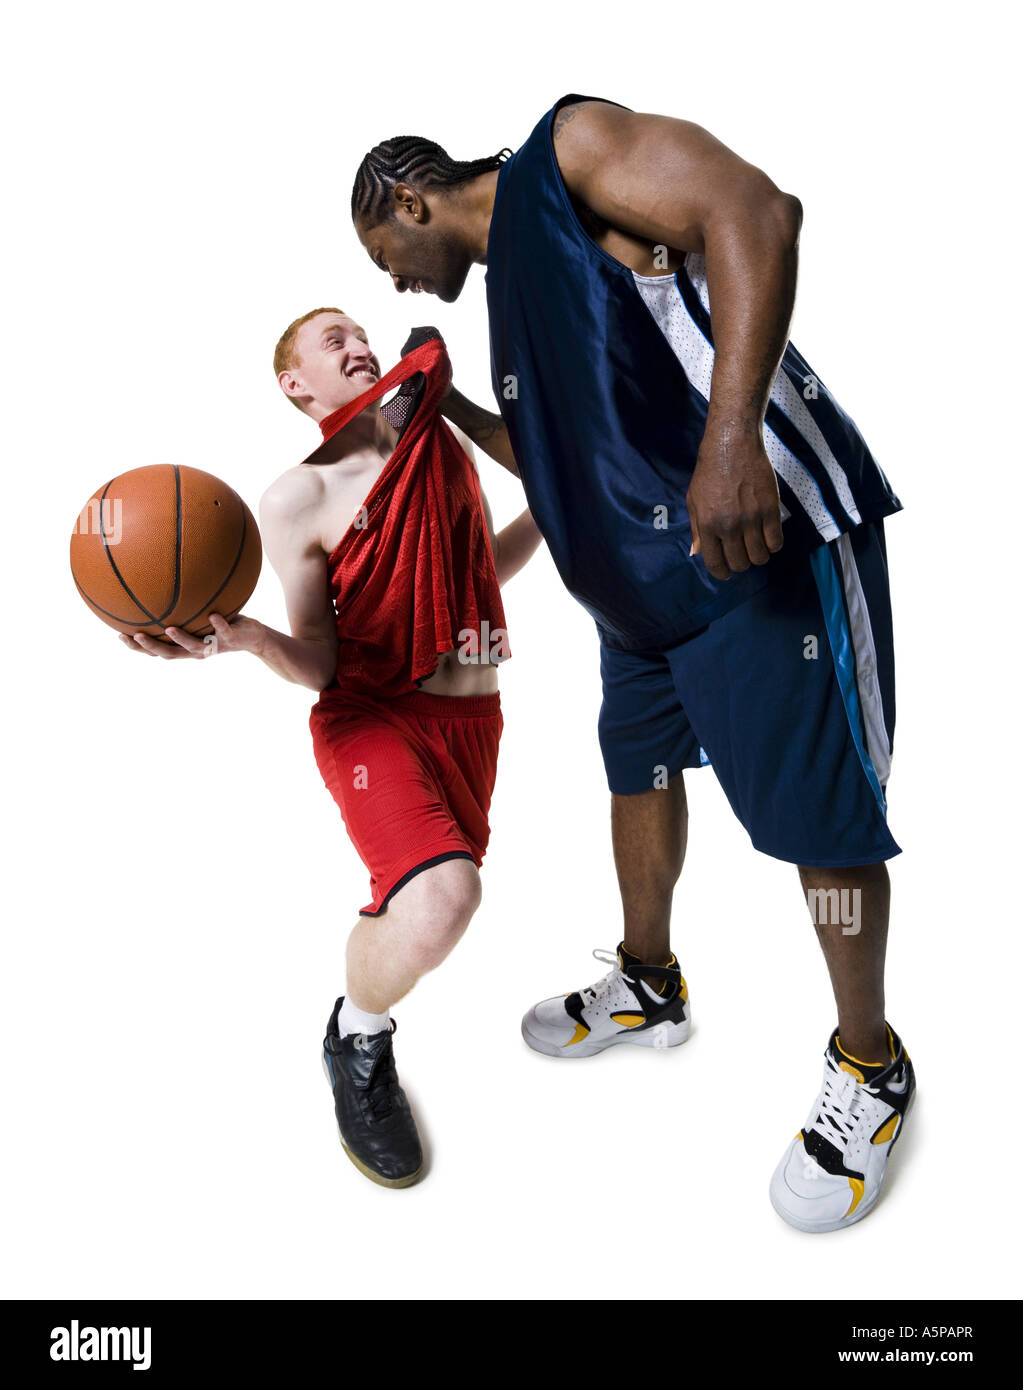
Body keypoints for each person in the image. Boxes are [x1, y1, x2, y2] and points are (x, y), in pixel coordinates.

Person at [349, 94, 915, 1232]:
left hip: (752, 543)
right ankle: (650, 985)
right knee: (636, 777)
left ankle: (872, 1063)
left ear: (410, 197)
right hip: (642, 599)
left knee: (822, 824)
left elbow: (758, 209)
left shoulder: (570, 153)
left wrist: (729, 441)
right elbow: (555, 449)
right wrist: (449, 405)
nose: (397, 282)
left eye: (387, 255)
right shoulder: (513, 293)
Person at [121, 310, 541, 1189]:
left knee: (431, 899)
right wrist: (246, 640)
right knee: (442, 902)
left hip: (473, 719)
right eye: (330, 341)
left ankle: (365, 1007)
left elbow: (474, 572)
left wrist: (553, 512)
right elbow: (320, 657)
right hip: (370, 718)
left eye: (358, 330)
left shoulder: (443, 449)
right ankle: (357, 1031)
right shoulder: (294, 498)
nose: (357, 344)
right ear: (296, 386)